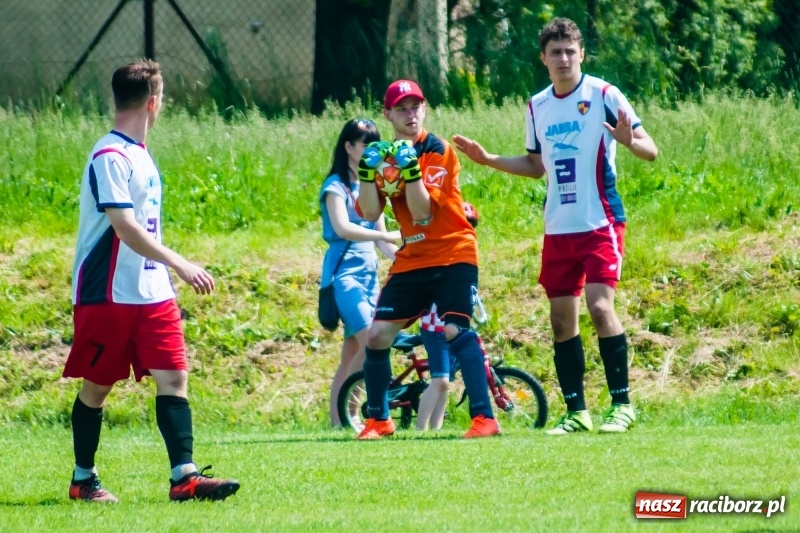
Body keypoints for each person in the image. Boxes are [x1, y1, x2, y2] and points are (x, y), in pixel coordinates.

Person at [453, 17, 658, 435]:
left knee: (601, 309)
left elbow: (650, 151)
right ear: (543, 59)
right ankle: (576, 412)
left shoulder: (604, 94)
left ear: (581, 54)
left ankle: (622, 406)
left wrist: (627, 140)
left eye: (570, 51)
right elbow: (535, 164)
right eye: (555, 52)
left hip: (600, 221)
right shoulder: (537, 105)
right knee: (562, 321)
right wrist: (489, 159)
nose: (563, 58)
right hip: (558, 227)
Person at [62, 60, 240, 503]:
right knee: (98, 388)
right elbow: (124, 226)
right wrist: (180, 262)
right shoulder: (110, 155)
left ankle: (185, 476)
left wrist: (166, 272)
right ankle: (83, 478)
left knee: (174, 377)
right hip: (108, 292)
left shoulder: (140, 154)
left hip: (152, 292)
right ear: (154, 102)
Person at [355, 80, 500, 439]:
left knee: (453, 330)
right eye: (401, 108)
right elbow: (370, 211)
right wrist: (366, 173)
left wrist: (410, 169)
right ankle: (379, 421)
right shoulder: (384, 155)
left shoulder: (438, 150)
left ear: (425, 109)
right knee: (376, 335)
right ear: (387, 114)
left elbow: (421, 213)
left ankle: (485, 420)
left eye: (415, 106)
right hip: (413, 259)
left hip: (453, 252)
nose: (410, 113)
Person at [320, 118, 400, 429]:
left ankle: (339, 420)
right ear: (349, 147)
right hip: (345, 277)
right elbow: (343, 228)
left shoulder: (372, 184)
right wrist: (389, 236)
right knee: (370, 342)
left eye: (375, 142)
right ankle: (351, 415)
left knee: (351, 355)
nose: (371, 148)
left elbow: (382, 238)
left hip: (370, 277)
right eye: (365, 142)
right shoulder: (335, 187)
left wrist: (404, 257)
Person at [415, 201, 481, 431]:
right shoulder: (441, 251)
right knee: (440, 380)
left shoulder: (463, 253)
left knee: (446, 382)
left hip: (450, 326)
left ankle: (435, 428)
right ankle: (421, 429)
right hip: (435, 328)